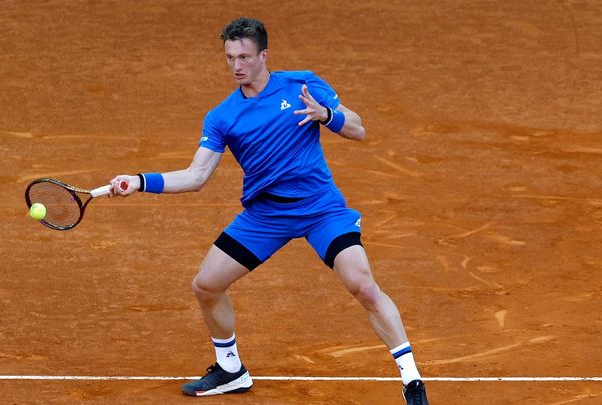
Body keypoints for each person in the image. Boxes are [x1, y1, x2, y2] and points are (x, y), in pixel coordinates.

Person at [108, 17, 429, 404]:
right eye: (230, 57)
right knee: (206, 285)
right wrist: (140, 181)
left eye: (244, 56)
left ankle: (411, 379)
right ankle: (230, 370)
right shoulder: (223, 116)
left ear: (264, 55)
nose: (237, 65)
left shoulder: (302, 85)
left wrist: (327, 116)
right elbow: (196, 176)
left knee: (362, 284)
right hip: (266, 216)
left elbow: (358, 129)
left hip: (320, 209)